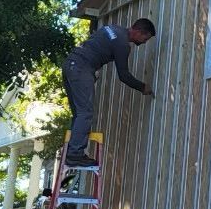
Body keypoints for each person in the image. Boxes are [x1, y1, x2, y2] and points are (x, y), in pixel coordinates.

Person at [62, 18, 155, 169]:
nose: (144, 42)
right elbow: (124, 76)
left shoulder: (112, 28)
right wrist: (143, 87)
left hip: (71, 64)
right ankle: (74, 156)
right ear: (138, 32)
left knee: (79, 114)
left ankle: (72, 153)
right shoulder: (122, 44)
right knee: (85, 113)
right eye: (146, 38)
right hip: (81, 68)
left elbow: (96, 46)